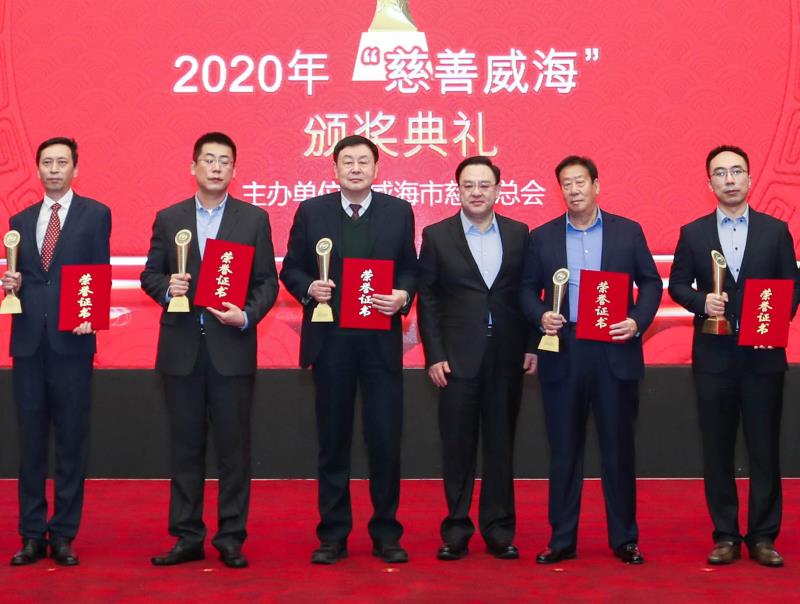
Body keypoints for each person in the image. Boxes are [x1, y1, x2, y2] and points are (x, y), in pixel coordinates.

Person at [141, 132, 278, 569]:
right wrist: (168, 288)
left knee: (234, 450)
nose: (216, 167)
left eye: (224, 161)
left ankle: (231, 537)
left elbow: (267, 282)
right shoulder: (170, 218)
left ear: (235, 170)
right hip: (181, 349)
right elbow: (149, 274)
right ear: (193, 167)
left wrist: (246, 315)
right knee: (185, 449)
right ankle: (187, 536)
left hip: (231, 349)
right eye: (209, 160)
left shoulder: (253, 219)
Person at [280, 135, 417, 564]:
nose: (355, 168)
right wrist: (309, 288)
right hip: (331, 342)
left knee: (385, 441)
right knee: (333, 441)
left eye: (363, 162)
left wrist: (403, 296)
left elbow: (410, 269)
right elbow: (291, 268)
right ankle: (333, 535)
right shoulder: (312, 211)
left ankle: (386, 533)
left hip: (380, 343)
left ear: (376, 169)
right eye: (347, 162)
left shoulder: (398, 211)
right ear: (334, 169)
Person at [520, 155, 661, 565]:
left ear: (596, 185)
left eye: (580, 181)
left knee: (618, 448)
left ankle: (625, 539)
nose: (574, 189)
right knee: (564, 448)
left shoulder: (628, 231)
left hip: (615, 346)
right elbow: (526, 289)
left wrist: (636, 321)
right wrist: (540, 316)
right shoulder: (542, 237)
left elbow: (651, 282)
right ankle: (562, 538)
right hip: (564, 348)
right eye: (566, 183)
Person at [668, 145, 799, 568]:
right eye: (720, 173)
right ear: (709, 183)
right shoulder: (693, 232)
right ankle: (725, 534)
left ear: (749, 178)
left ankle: (763, 536)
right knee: (717, 449)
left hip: (764, 358)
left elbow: (792, 285)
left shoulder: (775, 231)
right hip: (714, 357)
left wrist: (772, 324)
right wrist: (701, 301)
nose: (729, 179)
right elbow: (677, 285)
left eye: (736, 171)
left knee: (764, 449)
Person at [417, 156, 536, 561]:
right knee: (458, 446)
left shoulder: (519, 233)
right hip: (456, 359)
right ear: (458, 190)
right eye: (468, 185)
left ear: (498, 189)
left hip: (507, 356)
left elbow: (528, 292)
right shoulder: (437, 235)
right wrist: (434, 354)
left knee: (501, 446)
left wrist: (532, 344)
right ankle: (456, 530)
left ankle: (499, 530)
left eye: (484, 185)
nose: (477, 192)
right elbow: (428, 298)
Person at [3, 137, 111, 566]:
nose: (53, 169)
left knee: (70, 441)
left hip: (73, 342)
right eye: (47, 163)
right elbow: (25, 277)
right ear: (38, 169)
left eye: (61, 162)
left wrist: (92, 314)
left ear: (75, 169)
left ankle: (64, 533)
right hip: (28, 343)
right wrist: (11, 284)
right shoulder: (20, 219)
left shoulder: (95, 214)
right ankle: (31, 534)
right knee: (30, 444)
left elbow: (99, 269)